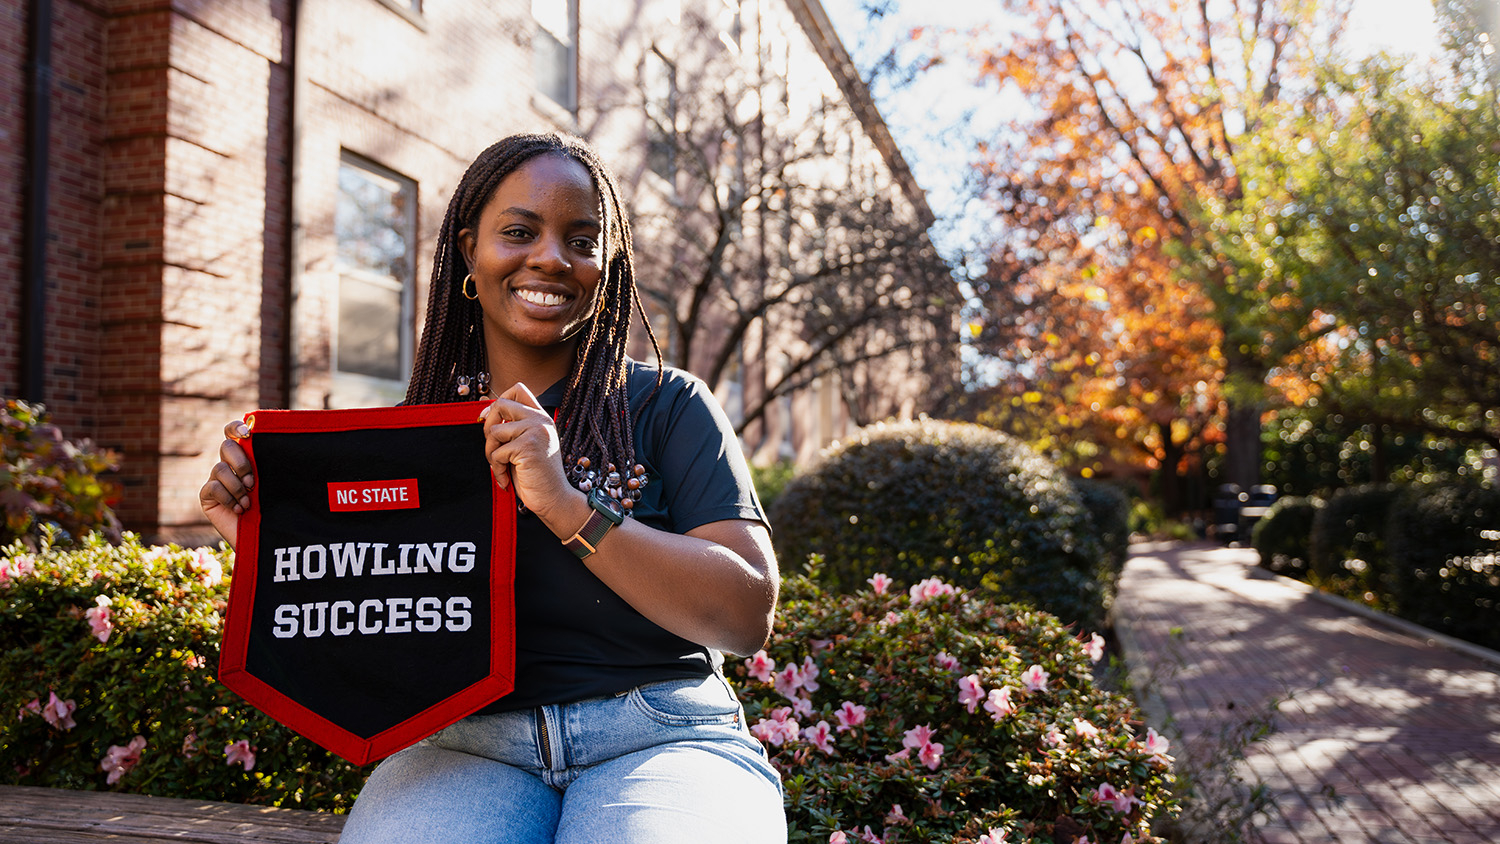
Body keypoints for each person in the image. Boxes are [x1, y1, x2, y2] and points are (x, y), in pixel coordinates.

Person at [199, 132, 785, 843]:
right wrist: (267, 542)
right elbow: (376, 624)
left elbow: (745, 613)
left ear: (606, 266)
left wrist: (568, 505)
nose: (550, 257)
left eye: (581, 238)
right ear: (470, 251)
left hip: (658, 737)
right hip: (461, 746)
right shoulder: (414, 438)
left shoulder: (666, 405)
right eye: (518, 231)